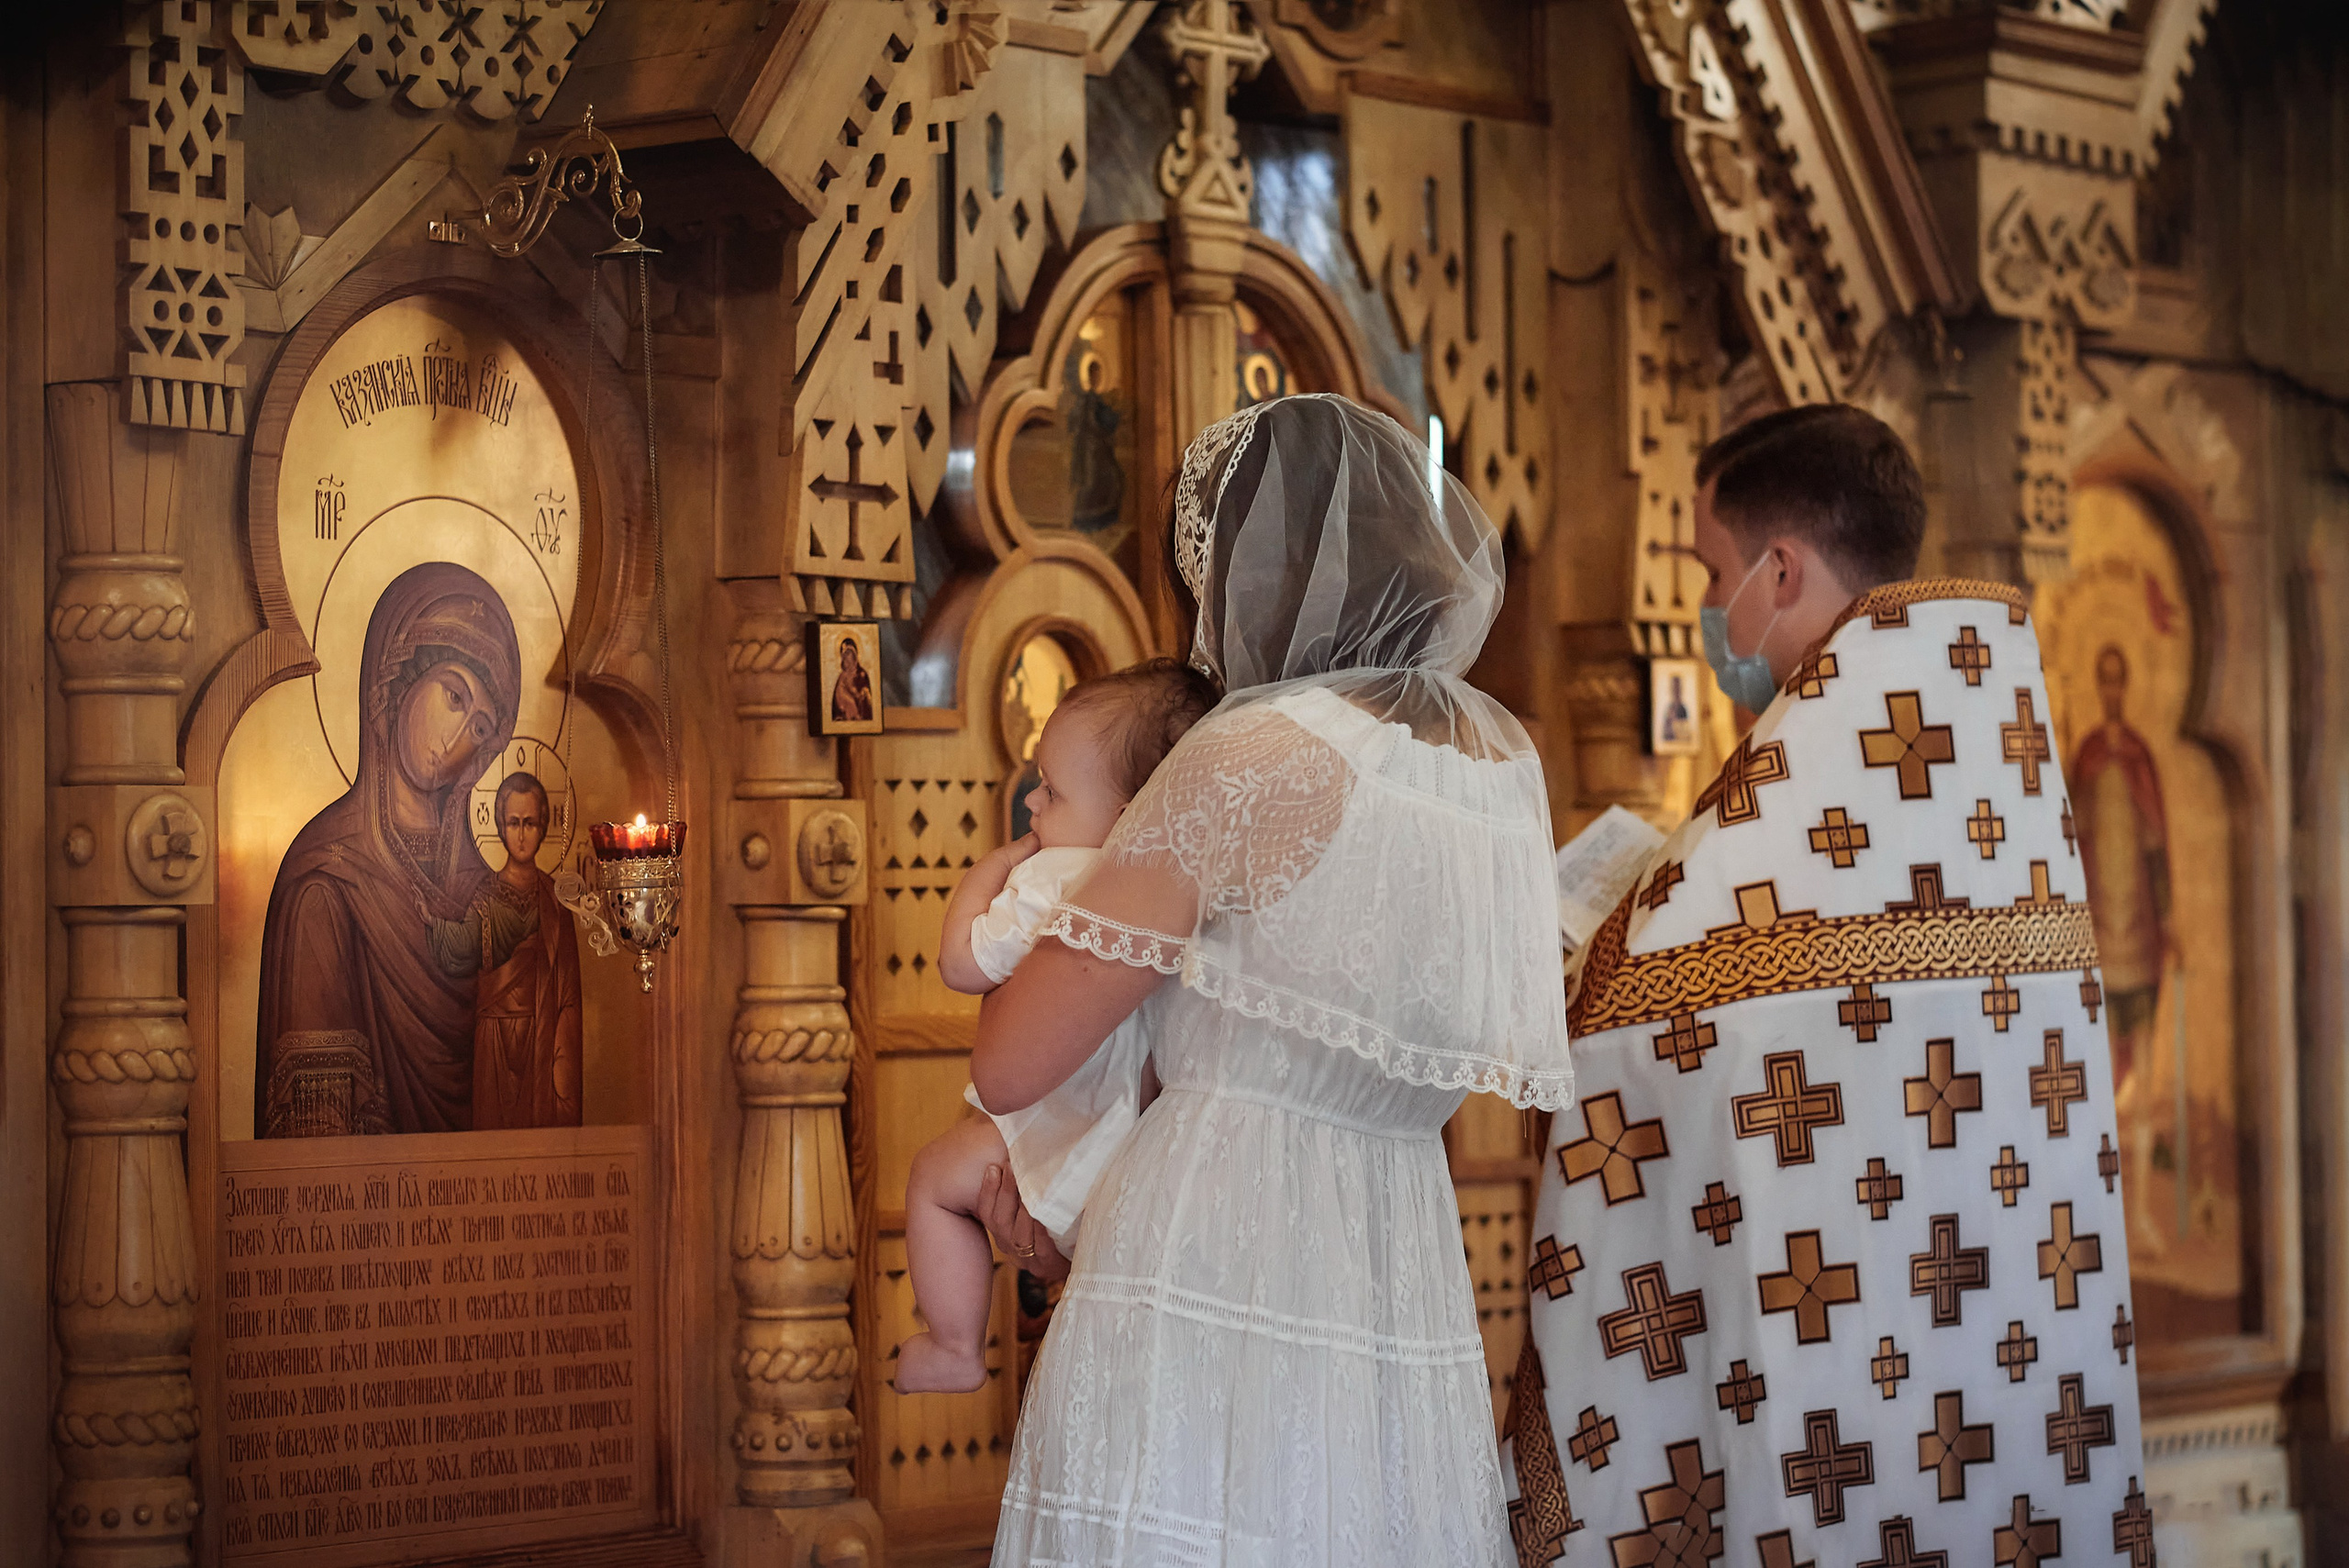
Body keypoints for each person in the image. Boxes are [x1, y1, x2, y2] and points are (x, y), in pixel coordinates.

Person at [1505, 405, 2145, 1562]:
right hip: (2000, 1357)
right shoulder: (1994, 762)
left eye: (1712, 571)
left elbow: (1620, 1039)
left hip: (1829, 1371)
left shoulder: (1801, 802)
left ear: (1782, 569)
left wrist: (1584, 961)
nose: (1711, 607)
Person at [968, 393, 1573, 1564]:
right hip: (1396, 1255)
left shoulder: (1249, 754)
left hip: (1207, 1247)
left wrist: (1012, 910)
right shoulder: (1493, 773)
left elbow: (1011, 1057)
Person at [895, 660, 1218, 1394]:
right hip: (1133, 1157)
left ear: (1130, 814)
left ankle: (954, 1344)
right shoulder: (1185, 884)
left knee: (933, 1177)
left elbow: (962, 962)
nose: (1033, 801)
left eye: (1052, 788)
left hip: (1059, 1137)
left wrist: (992, 868)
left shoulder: (1059, 877)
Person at [255, 562, 520, 1137]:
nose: (458, 739)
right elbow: (316, 1142)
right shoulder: (325, 882)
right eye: (454, 696)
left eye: (480, 727)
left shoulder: (490, 897)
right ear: (396, 681)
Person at [426, 771, 585, 1129]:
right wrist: (432, 925)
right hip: (494, 1040)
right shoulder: (483, 896)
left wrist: (562, 1056)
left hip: (541, 1037)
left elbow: (569, 992)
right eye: (514, 823)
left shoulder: (556, 903)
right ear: (500, 826)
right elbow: (461, 949)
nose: (522, 834)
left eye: (530, 823)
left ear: (543, 827)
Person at [830, 636, 874, 723]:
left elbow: (865, 691)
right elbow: (839, 693)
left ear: (854, 655)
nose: (846, 657)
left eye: (848, 653)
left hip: (858, 704)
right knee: (850, 702)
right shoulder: (842, 675)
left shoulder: (861, 674)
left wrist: (862, 694)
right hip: (843, 703)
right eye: (844, 655)